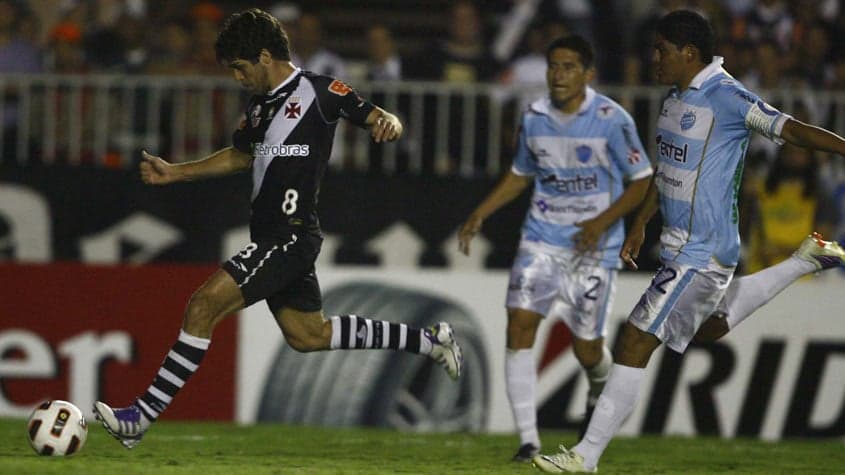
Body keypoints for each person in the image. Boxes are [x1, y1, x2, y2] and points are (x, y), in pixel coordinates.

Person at [92, 8, 463, 449]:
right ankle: (430, 341)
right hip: (272, 236)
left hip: (289, 234)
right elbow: (238, 155)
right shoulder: (259, 108)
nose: (236, 78)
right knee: (309, 336)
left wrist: (390, 123)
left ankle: (141, 416)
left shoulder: (321, 90)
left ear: (265, 56)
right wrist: (176, 172)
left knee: (203, 305)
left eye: (239, 68)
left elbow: (379, 115)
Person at [533, 10, 845, 473]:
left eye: (661, 50)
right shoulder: (675, 100)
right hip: (679, 246)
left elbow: (792, 129)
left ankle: (585, 456)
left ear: (689, 53)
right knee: (707, 329)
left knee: (637, 338)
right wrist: (641, 223)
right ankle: (806, 260)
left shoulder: (729, 97)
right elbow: (668, 169)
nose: (653, 58)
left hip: (704, 249)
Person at [458, 35, 653, 462]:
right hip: (542, 238)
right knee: (519, 324)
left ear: (588, 74)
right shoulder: (535, 117)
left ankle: (599, 389)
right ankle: (528, 441)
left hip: (594, 249)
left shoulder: (611, 119)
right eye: (553, 66)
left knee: (586, 347)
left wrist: (601, 223)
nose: (558, 75)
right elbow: (519, 173)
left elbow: (642, 180)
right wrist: (481, 212)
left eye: (568, 67)